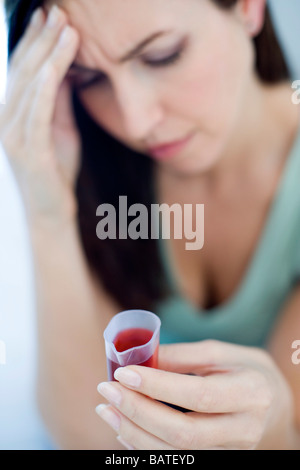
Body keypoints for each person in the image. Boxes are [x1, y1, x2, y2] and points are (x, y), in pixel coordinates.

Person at [1, 0, 300, 450]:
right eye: (90, 78)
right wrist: (46, 210)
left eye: (162, 56)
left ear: (248, 8)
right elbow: (84, 435)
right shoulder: (93, 158)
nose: (137, 122)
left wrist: (276, 432)